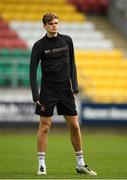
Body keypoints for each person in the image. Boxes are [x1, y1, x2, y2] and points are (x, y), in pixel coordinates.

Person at [30, 12, 97, 176]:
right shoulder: (39, 46)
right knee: (45, 127)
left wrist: (74, 85)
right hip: (48, 91)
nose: (55, 26)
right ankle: (41, 165)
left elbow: (72, 63)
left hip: (66, 91)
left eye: (56, 23)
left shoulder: (67, 40)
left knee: (75, 126)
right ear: (44, 26)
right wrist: (35, 95)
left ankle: (80, 164)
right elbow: (32, 71)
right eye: (51, 23)